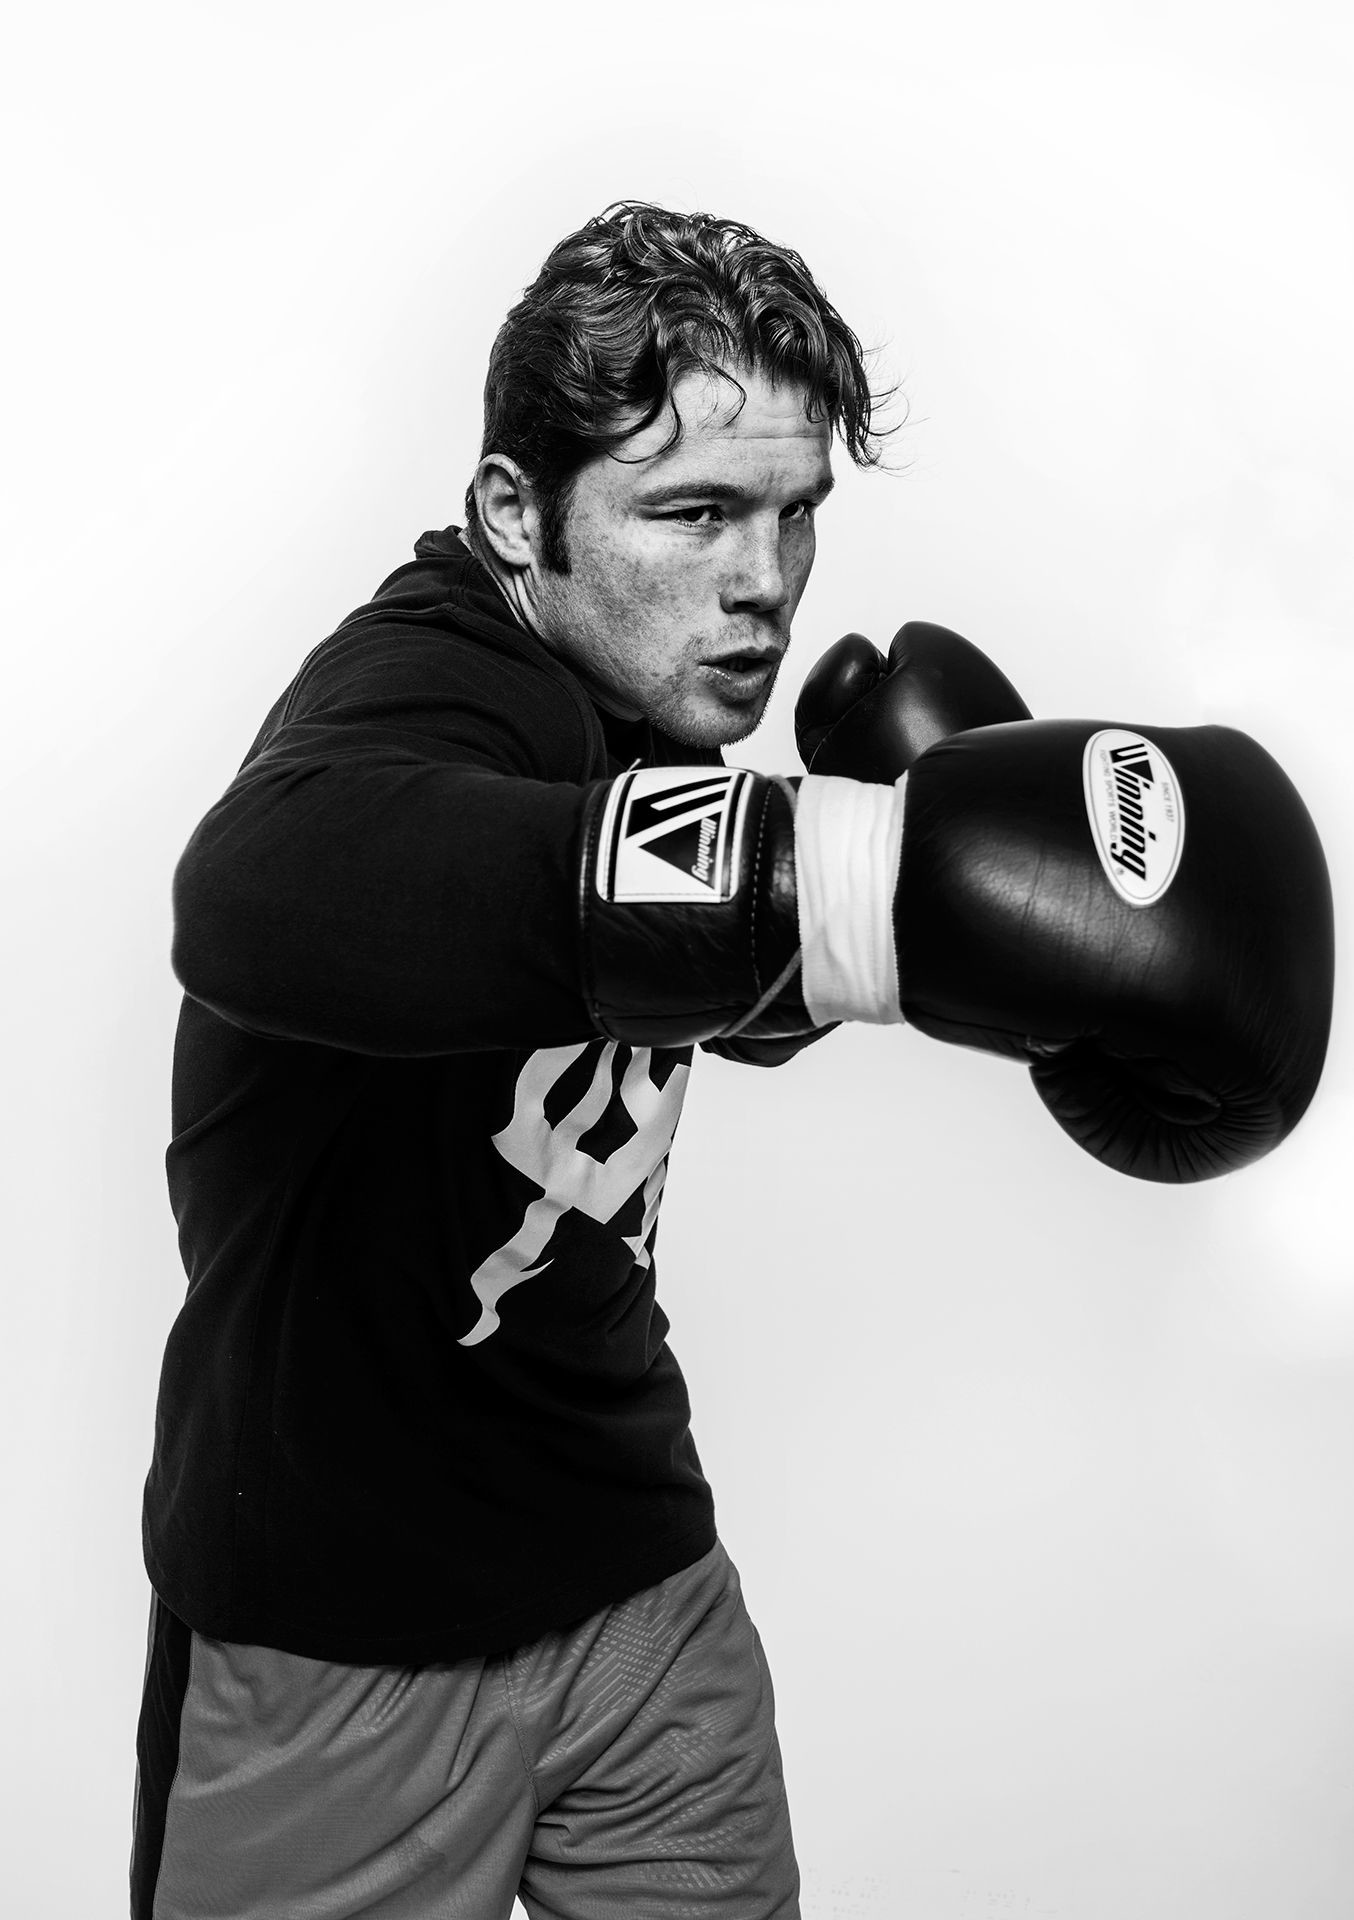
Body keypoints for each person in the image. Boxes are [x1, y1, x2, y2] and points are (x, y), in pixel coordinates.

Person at [132, 201, 1333, 1920]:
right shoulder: (421, 688)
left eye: (794, 514)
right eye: (692, 513)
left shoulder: (644, 684)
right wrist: (849, 876)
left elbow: (670, 961)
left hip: (635, 1575)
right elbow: (268, 889)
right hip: (342, 1649)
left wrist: (953, 920)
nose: (760, 582)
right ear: (512, 514)